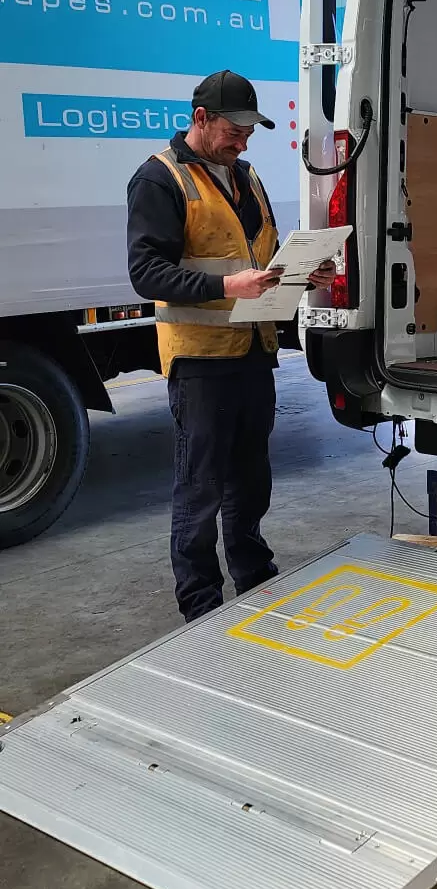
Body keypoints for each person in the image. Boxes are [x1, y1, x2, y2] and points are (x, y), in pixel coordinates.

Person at [127, 69, 334, 623]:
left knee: (250, 478)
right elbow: (146, 273)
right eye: (235, 130)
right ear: (201, 119)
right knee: (201, 488)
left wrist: (298, 276)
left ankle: (254, 578)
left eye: (249, 132)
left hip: (252, 353)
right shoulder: (160, 179)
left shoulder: (246, 176)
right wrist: (226, 287)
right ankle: (200, 607)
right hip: (200, 360)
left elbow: (256, 258)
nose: (243, 141)